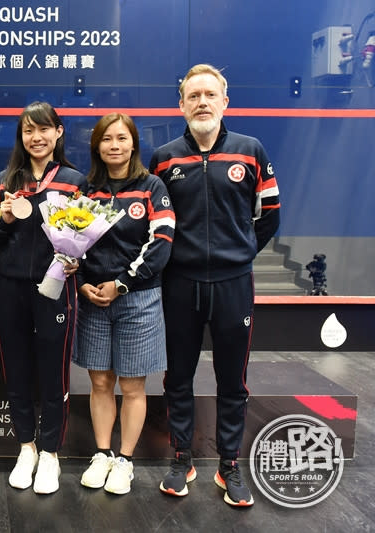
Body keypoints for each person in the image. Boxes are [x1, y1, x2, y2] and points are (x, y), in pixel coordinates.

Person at [149, 64, 281, 507]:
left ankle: (229, 464)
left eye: (210, 94)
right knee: (178, 377)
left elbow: (270, 216)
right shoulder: (164, 158)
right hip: (180, 283)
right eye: (193, 96)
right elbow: (157, 220)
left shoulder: (251, 150)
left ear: (225, 102)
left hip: (232, 285)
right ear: (181, 104)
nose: (202, 102)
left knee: (233, 379)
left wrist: (238, 254)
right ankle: (181, 458)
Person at [75, 113, 175, 495]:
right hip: (94, 299)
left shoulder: (152, 186)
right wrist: (83, 282)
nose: (113, 145)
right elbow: (72, 240)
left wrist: (122, 283)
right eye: (106, 139)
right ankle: (102, 454)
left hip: (138, 299)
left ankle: (125, 460)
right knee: (100, 380)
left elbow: (162, 241)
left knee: (133, 385)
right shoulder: (87, 188)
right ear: (97, 146)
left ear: (134, 143)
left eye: (121, 138)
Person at [0, 102, 86, 495]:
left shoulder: (75, 180)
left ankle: (50, 452)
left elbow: (87, 233)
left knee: (52, 372)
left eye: (44, 129)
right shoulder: (6, 179)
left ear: (58, 132)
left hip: (55, 290)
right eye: (29, 130)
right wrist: (4, 221)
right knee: (16, 370)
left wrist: (79, 261)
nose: (37, 137)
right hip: (11, 287)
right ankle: (25, 446)